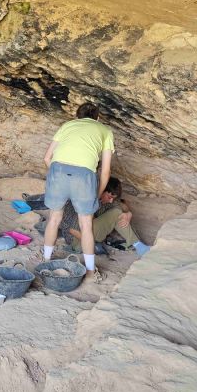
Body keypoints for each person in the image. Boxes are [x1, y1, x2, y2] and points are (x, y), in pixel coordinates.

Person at [42, 102, 114, 278]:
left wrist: (59, 173)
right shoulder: (105, 130)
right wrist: (96, 194)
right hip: (84, 174)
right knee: (86, 224)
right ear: (97, 117)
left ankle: (45, 260)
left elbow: (46, 158)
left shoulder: (68, 125)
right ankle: (90, 271)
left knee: (54, 219)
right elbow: (105, 171)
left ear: (77, 116)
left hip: (58, 169)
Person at [61, 177, 151, 256]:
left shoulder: (105, 201)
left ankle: (138, 245)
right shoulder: (85, 199)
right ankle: (139, 246)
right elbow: (72, 230)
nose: (111, 201)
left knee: (119, 213)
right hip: (77, 241)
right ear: (102, 190)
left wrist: (128, 214)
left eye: (113, 198)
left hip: (88, 236)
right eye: (109, 197)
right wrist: (93, 244)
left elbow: (123, 205)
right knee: (116, 213)